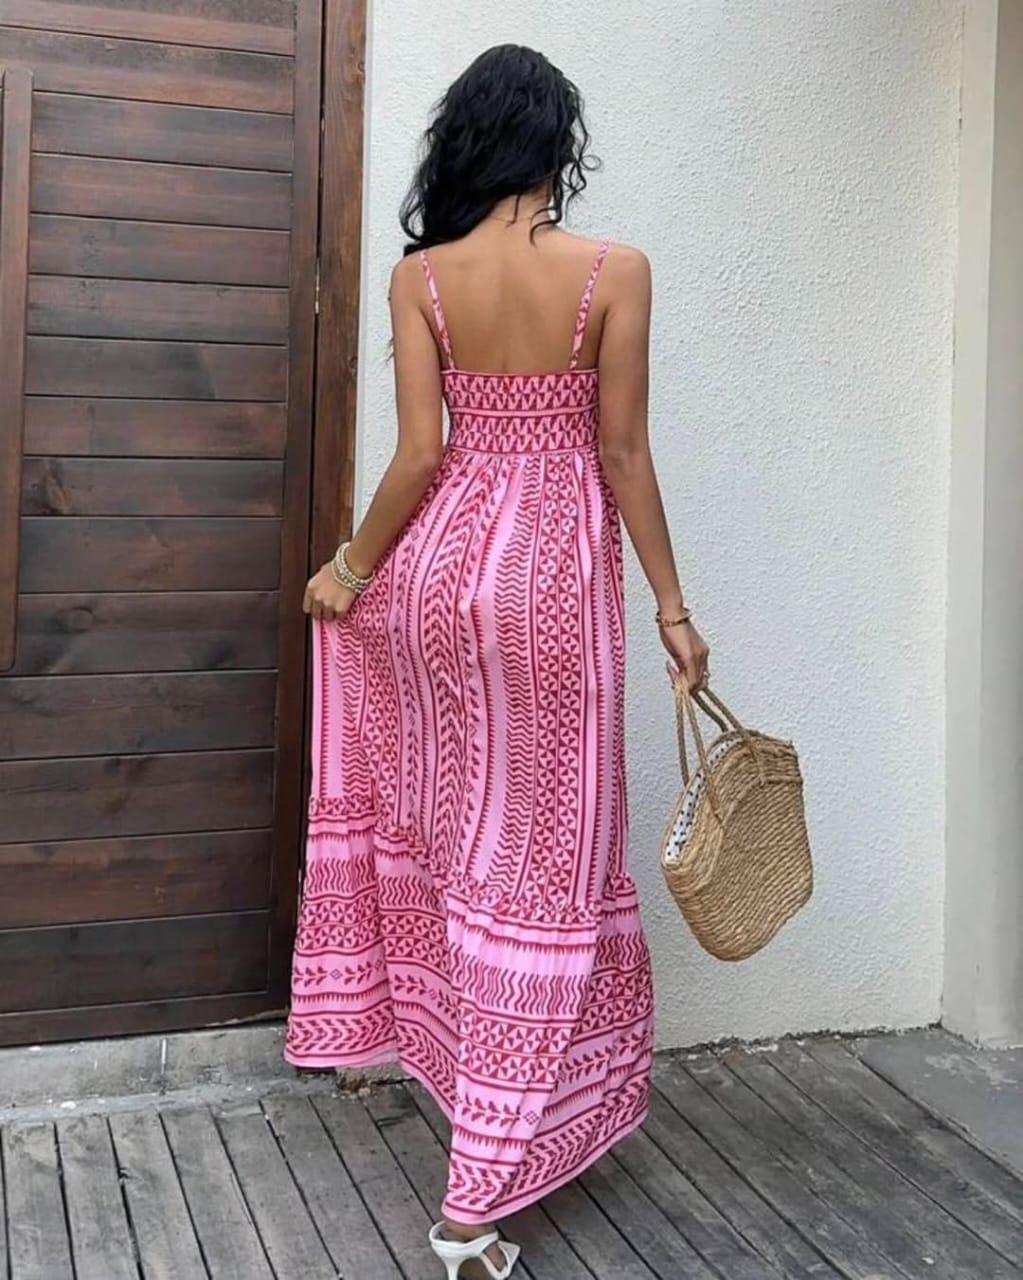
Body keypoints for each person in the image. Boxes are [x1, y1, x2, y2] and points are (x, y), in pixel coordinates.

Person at [286, 43, 709, 1280]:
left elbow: (421, 453)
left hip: (437, 580)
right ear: (555, 144)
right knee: (546, 865)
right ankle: (478, 1189)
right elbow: (620, 453)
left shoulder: (420, 278)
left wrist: (349, 570)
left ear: (465, 142)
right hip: (550, 592)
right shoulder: (615, 273)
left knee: (460, 844)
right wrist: (673, 608)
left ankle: (471, 1084)